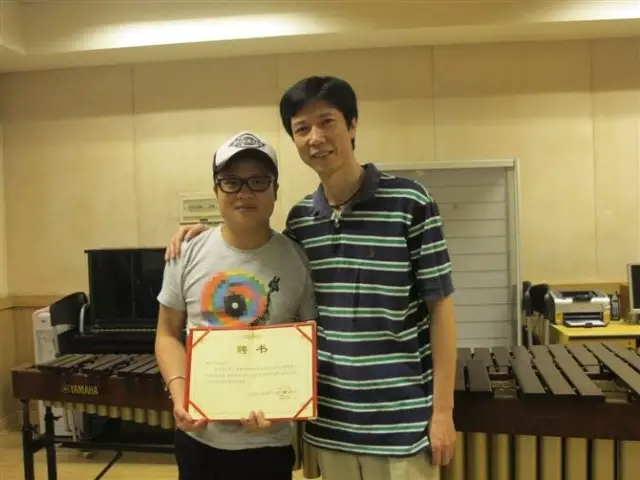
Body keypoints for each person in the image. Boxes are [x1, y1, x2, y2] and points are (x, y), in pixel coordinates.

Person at [165, 76, 458, 480]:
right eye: (302, 128)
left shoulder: (410, 203)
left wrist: (443, 412)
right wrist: (202, 233)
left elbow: (440, 308)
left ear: (352, 124)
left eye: (327, 122)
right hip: (329, 428)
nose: (316, 138)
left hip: (401, 427)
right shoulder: (301, 221)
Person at [155, 130, 318, 480]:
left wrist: (283, 405)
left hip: (269, 445)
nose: (245, 192)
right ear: (216, 190)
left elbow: (307, 348)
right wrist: (180, 396)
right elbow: (167, 334)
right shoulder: (186, 254)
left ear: (276, 190)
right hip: (199, 440)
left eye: (258, 181)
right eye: (231, 182)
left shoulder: (296, 260)